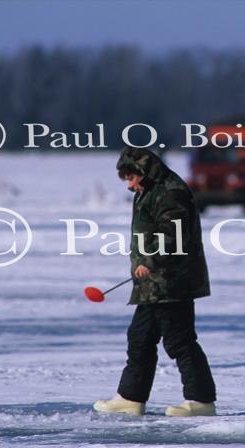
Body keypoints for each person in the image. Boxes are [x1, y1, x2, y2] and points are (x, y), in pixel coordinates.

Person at [94, 146, 217, 417]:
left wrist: (148, 262)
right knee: (140, 337)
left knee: (179, 340)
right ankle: (130, 398)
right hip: (154, 283)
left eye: (131, 177)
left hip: (171, 280)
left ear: (144, 170)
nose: (129, 184)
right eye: (125, 178)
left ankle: (201, 401)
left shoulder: (171, 191)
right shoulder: (148, 191)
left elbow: (171, 234)